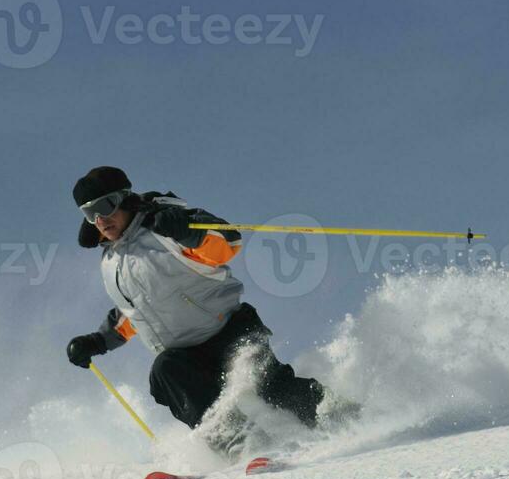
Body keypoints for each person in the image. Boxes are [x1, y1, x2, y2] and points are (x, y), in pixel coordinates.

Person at [63, 166, 329, 453]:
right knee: (165, 371)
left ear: (125, 198)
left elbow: (228, 243)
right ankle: (241, 445)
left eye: (105, 206)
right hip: (186, 356)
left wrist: (188, 232)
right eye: (90, 214)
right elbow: (134, 311)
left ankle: (333, 413)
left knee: (269, 389)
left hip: (227, 330)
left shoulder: (163, 226)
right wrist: (98, 341)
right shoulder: (111, 261)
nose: (100, 219)